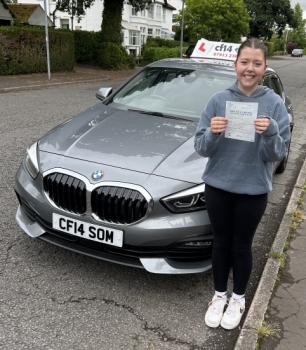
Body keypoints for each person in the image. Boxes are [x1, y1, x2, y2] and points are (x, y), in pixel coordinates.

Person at [194, 37, 290, 330]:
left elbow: (276, 155)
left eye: (256, 63)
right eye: (244, 62)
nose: (249, 68)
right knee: (220, 243)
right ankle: (219, 295)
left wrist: (272, 132)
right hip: (218, 186)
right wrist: (212, 133)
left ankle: (238, 299)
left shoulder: (273, 104)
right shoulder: (218, 100)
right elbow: (201, 147)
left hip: (253, 189)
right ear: (235, 65)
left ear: (264, 67)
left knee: (242, 246)